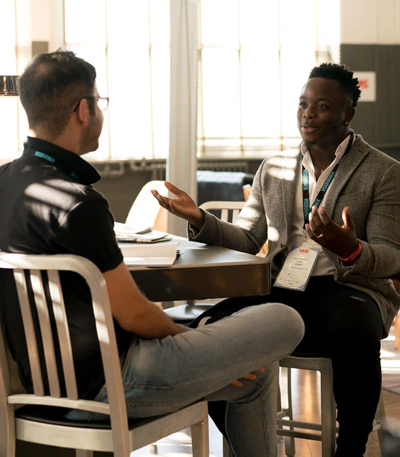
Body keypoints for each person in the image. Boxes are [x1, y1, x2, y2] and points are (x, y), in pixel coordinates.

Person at [0, 50, 305, 457]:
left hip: (38, 387)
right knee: (284, 318)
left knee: (255, 375)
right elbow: (136, 315)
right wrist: (192, 341)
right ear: (82, 111)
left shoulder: (5, 181)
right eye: (99, 101)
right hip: (111, 385)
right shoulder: (80, 203)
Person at [152, 63, 400, 457]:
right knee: (211, 326)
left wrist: (347, 247)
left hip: (350, 290)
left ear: (347, 114)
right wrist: (200, 218)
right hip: (285, 287)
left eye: (321, 106)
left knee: (354, 327)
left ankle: (350, 447)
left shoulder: (383, 172)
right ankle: (247, 444)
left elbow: (391, 256)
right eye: (303, 104)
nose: (308, 113)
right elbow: (249, 240)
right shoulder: (275, 167)